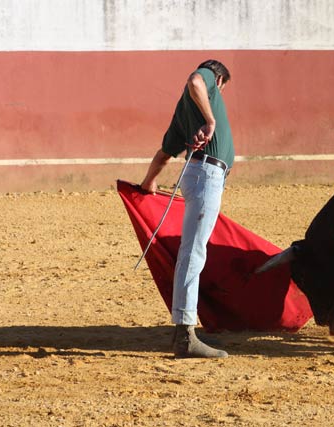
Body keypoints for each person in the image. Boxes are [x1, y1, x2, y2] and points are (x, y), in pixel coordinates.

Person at [140, 59, 234, 358]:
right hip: (206, 174)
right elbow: (195, 80)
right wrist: (211, 120)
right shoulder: (206, 80)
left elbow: (164, 153)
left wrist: (148, 183)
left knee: (194, 250)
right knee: (193, 251)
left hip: (199, 174)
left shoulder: (182, 113)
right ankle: (185, 335)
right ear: (218, 81)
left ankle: (184, 330)